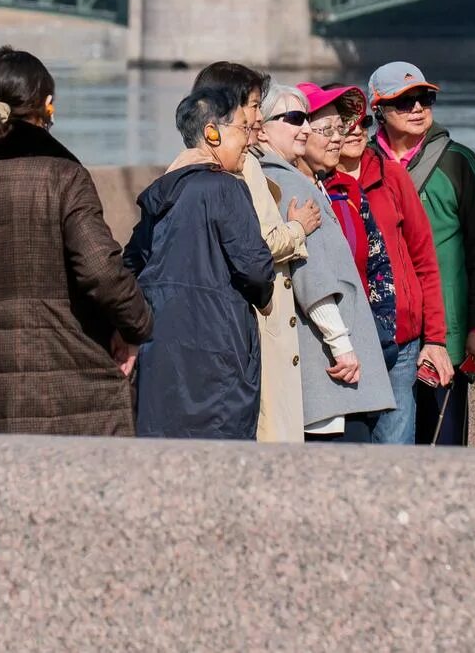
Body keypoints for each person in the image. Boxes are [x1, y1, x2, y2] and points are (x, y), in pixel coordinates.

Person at [0, 47, 153, 435]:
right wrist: (136, 327)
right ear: (47, 106)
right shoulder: (65, 179)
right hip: (75, 395)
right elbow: (102, 271)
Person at [174, 62, 320, 442]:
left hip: (210, 323)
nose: (258, 116)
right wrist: (298, 229)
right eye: (254, 106)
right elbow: (260, 243)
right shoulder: (242, 166)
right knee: (269, 429)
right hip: (253, 318)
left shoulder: (187, 164)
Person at [123, 85, 276, 440]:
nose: (249, 139)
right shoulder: (225, 188)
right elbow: (256, 269)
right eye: (242, 127)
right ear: (212, 132)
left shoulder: (161, 195)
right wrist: (265, 295)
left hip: (162, 355)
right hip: (219, 356)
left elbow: (129, 265)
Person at [367, 61, 475, 446]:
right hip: (382, 336)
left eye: (424, 98)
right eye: (404, 101)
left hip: (446, 338)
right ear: (377, 110)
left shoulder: (457, 161)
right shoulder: (362, 165)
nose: (417, 108)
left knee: (440, 450)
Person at [259, 82, 395, 441]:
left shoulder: (304, 183)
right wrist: (342, 346)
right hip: (332, 374)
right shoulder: (292, 186)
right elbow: (314, 278)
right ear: (260, 126)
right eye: (295, 119)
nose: (304, 128)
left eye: (307, 119)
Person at [335, 89, 451, 444]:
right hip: (345, 342)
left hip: (401, 341)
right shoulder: (317, 184)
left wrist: (435, 339)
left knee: (395, 450)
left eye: (363, 123)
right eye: (345, 124)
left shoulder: (392, 177)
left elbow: (424, 260)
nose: (356, 131)